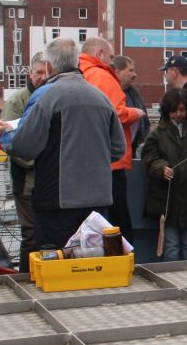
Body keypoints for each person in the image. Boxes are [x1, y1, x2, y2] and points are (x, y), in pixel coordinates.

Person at [10, 38, 126, 251]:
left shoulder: (47, 97)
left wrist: (7, 135)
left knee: (57, 269)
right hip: (98, 203)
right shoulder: (101, 98)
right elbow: (118, 149)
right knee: (93, 268)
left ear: (48, 66)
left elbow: (24, 146)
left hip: (56, 201)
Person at [79, 37, 145, 244]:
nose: (112, 61)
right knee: (118, 221)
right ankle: (123, 262)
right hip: (112, 161)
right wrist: (135, 113)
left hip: (88, 162)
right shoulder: (102, 76)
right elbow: (115, 114)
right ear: (99, 54)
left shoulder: (80, 75)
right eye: (110, 56)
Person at [142, 87, 187, 261]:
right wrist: (161, 167)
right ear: (167, 110)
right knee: (171, 245)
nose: (178, 114)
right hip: (167, 200)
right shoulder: (157, 134)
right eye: (174, 110)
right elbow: (149, 157)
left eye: (182, 110)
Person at [0, 52, 51, 271]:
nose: (43, 77)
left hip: (50, 182)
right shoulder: (17, 100)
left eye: (47, 72)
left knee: (48, 233)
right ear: (30, 74)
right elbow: (9, 141)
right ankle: (26, 276)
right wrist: (38, 160)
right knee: (30, 234)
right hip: (27, 182)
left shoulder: (52, 97)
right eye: (39, 72)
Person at [113, 54, 150, 153]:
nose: (135, 74)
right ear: (117, 72)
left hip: (135, 151)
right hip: (117, 153)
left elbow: (145, 123)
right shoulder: (109, 93)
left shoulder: (134, 94)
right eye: (130, 70)